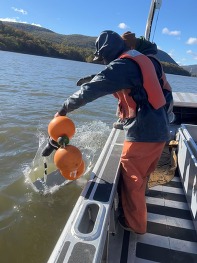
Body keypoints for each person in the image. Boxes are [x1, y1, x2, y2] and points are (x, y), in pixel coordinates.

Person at [49, 30, 170, 234]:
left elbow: (92, 90)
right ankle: (139, 209)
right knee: (142, 174)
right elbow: (117, 76)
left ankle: (135, 224)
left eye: (103, 58)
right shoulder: (139, 57)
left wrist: (63, 109)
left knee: (131, 176)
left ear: (108, 53)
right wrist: (95, 76)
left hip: (144, 132)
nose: (104, 62)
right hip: (160, 128)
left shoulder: (122, 65)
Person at [76, 31, 174, 129]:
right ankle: (125, 117)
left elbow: (123, 78)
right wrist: (94, 78)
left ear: (130, 47)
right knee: (121, 87)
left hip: (162, 107)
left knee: (126, 88)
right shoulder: (134, 59)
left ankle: (162, 122)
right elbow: (115, 76)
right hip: (153, 107)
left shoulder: (148, 60)